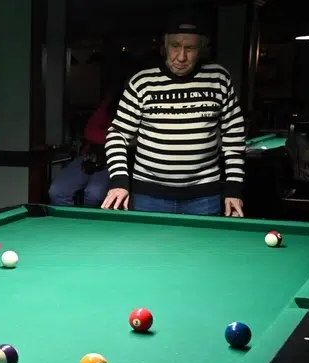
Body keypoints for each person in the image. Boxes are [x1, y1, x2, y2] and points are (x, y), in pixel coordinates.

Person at [101, 13, 246, 216]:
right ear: (164, 46)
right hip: (149, 195)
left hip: (204, 196)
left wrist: (233, 188)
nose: (181, 56)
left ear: (202, 48)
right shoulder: (142, 82)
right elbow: (117, 134)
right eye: (175, 46)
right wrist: (119, 181)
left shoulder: (219, 78)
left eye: (190, 48)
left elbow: (234, 136)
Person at [48, 86, 119, 207]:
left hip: (116, 160)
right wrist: (116, 136)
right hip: (90, 156)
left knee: (94, 195)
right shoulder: (112, 99)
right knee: (57, 191)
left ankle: (91, 220)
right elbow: (90, 131)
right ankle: (71, 220)